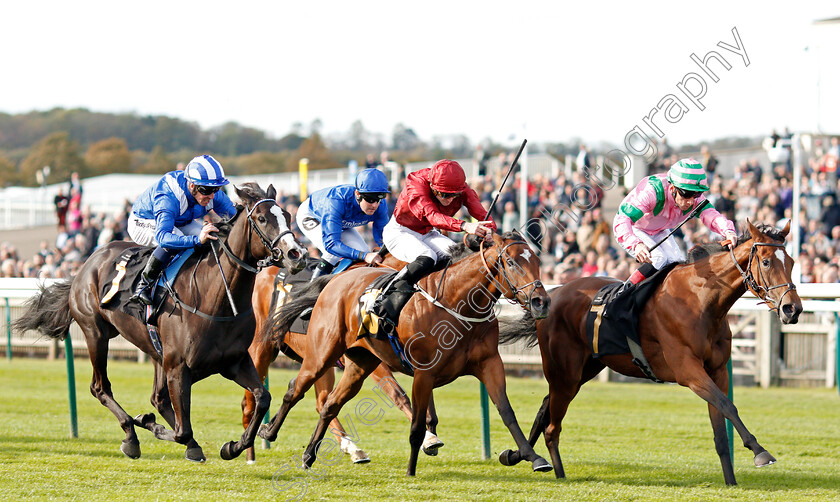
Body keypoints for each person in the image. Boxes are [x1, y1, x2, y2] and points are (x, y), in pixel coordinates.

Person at [375, 159, 496, 330]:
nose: (448, 200)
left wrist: (490, 230)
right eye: (444, 195)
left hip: (427, 233)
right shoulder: (416, 183)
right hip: (400, 231)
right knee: (427, 257)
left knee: (459, 256)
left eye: (454, 195)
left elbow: (483, 214)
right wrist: (465, 226)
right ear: (432, 186)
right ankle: (386, 300)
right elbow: (432, 216)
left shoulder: (463, 189)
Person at [127, 155, 238, 305]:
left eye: (216, 189)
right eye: (207, 190)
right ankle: (143, 285)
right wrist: (197, 240)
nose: (212, 195)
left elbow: (236, 218)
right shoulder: (168, 196)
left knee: (212, 237)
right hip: (144, 221)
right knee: (179, 239)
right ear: (192, 186)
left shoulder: (210, 192)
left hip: (180, 220)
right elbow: (163, 237)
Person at [613, 158, 737, 289]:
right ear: (672, 188)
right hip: (633, 228)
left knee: (677, 263)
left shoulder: (694, 199)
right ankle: (624, 294)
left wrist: (728, 231)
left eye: (696, 194)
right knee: (658, 258)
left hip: (658, 230)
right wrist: (636, 244)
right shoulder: (652, 191)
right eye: (687, 194)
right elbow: (623, 219)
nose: (691, 201)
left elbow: (712, 215)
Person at [296, 168, 391, 280]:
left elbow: (382, 240)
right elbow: (331, 244)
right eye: (370, 199)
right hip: (312, 215)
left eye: (380, 198)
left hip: (341, 221)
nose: (375, 205)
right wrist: (364, 256)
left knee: (364, 251)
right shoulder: (337, 201)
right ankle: (312, 289)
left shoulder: (381, 206)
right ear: (357, 194)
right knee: (333, 253)